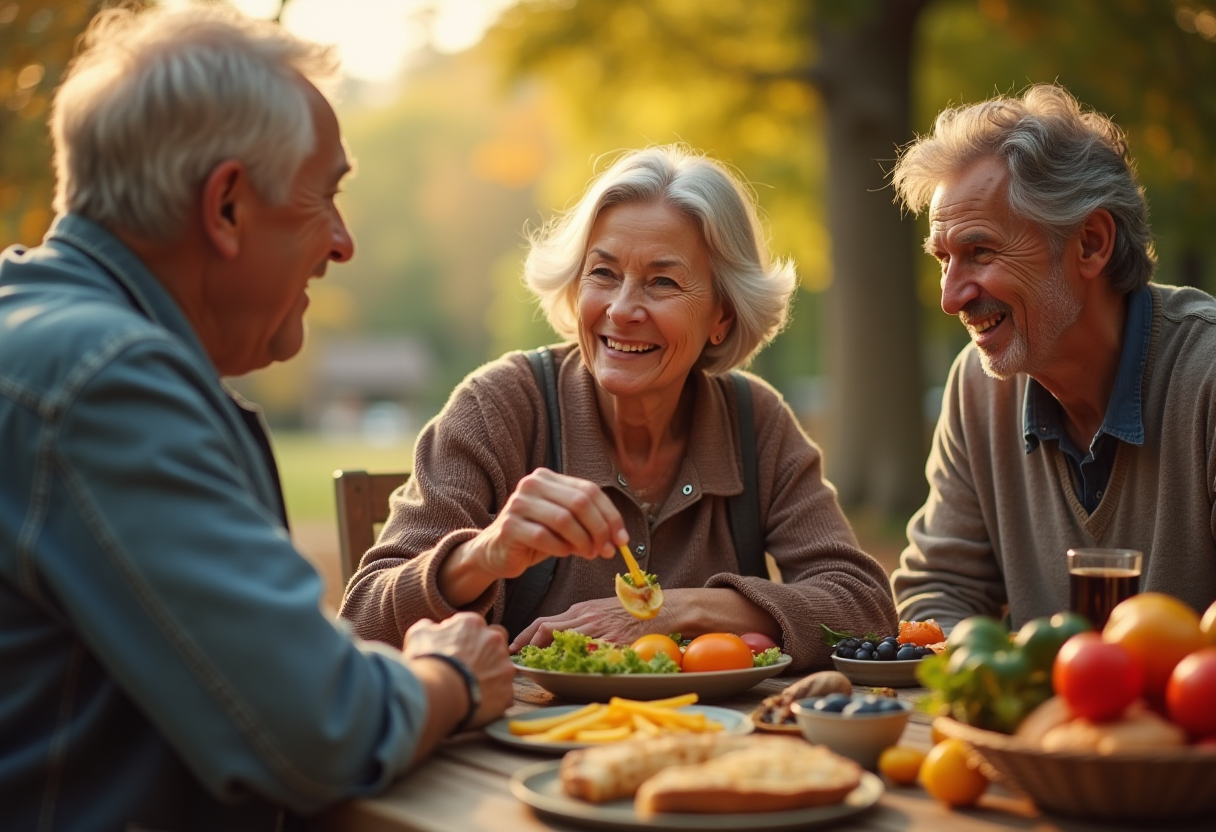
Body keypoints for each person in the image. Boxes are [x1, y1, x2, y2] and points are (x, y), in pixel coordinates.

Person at [0, 6, 514, 831]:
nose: (343, 243)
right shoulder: (107, 383)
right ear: (228, 206)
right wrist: (449, 675)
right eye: (327, 196)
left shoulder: (38, 334)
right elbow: (320, 726)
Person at [338, 144, 898, 671]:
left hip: (712, 745)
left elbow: (863, 606)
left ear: (722, 316)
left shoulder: (755, 423)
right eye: (602, 273)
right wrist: (484, 555)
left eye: (662, 282)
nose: (622, 309)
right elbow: (364, 624)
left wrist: (680, 608)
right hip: (520, 753)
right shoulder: (499, 406)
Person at [888, 84, 1216, 631]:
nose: (951, 297)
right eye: (943, 258)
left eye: (981, 251)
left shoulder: (1206, 377)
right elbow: (938, 589)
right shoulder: (977, 386)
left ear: (1090, 242)